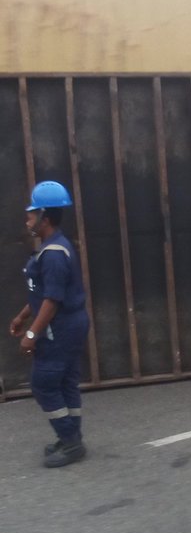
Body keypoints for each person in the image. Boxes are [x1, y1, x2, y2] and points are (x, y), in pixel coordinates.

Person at [9, 181, 90, 468]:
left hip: (61, 327)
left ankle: (70, 441)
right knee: (66, 380)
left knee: (43, 383)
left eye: (31, 214)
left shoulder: (54, 254)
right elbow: (43, 293)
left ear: (45, 216)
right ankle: (72, 436)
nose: (27, 219)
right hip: (69, 323)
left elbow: (52, 301)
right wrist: (22, 316)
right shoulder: (54, 247)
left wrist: (31, 333)